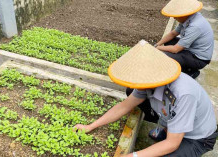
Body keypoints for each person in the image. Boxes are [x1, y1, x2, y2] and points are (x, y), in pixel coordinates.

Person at [74, 41, 217, 157]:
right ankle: (168, 131)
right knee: (133, 94)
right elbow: (124, 106)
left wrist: (133, 156)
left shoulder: (183, 94)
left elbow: (173, 144)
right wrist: (90, 126)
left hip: (198, 138)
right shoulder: (150, 79)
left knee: (168, 150)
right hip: (176, 124)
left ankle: (174, 137)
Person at [155, 0, 214, 79]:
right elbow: (173, 34)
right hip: (191, 49)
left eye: (175, 15)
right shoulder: (188, 18)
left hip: (199, 59)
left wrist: (157, 49)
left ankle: (190, 71)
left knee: (166, 57)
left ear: (183, 15)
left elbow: (175, 49)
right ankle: (184, 66)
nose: (174, 17)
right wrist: (157, 44)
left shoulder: (195, 26)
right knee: (169, 42)